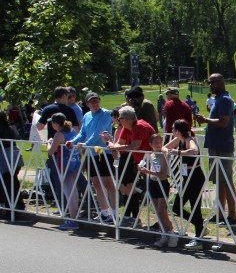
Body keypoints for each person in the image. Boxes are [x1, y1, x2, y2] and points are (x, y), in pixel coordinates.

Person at [194, 73, 236, 225]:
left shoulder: (225, 99)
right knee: (219, 182)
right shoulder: (218, 99)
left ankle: (232, 216)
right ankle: (220, 214)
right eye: (209, 82)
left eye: (213, 82)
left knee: (227, 181)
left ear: (221, 82)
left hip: (223, 146)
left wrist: (205, 120)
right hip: (215, 146)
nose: (210, 85)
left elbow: (223, 122)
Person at [102, 105, 155, 228]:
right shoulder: (126, 128)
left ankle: (139, 219)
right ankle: (131, 217)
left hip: (151, 161)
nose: (118, 120)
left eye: (120, 118)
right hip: (138, 161)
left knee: (153, 191)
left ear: (126, 119)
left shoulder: (139, 126)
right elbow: (119, 144)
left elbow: (135, 146)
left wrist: (116, 147)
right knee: (127, 187)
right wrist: (110, 143)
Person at [68, 92, 117, 225]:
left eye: (96, 101)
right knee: (96, 182)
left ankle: (114, 213)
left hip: (103, 153)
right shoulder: (87, 116)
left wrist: (85, 145)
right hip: (91, 154)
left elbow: (97, 134)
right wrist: (72, 142)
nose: (95, 104)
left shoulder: (106, 114)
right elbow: (82, 133)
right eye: (92, 102)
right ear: (87, 104)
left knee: (108, 182)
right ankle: (104, 212)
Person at [163, 119, 206, 249]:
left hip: (195, 176)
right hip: (186, 176)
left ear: (179, 130)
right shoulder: (178, 139)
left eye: (173, 128)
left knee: (195, 207)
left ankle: (198, 239)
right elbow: (165, 147)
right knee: (177, 207)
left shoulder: (189, 139)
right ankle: (200, 226)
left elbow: (194, 150)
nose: (171, 130)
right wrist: (168, 151)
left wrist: (179, 152)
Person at [138, 133, 178, 247]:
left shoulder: (164, 155)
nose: (158, 144)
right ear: (150, 144)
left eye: (160, 142)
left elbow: (163, 174)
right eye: (156, 142)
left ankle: (172, 234)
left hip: (162, 183)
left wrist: (148, 172)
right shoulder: (150, 155)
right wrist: (141, 167)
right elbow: (143, 164)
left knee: (161, 211)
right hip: (152, 183)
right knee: (157, 211)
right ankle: (163, 235)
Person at [47, 114, 82, 229]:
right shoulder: (72, 131)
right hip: (76, 161)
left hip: (65, 163)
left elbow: (51, 152)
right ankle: (75, 216)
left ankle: (73, 220)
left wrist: (49, 143)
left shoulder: (59, 134)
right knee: (74, 190)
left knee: (69, 192)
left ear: (55, 123)